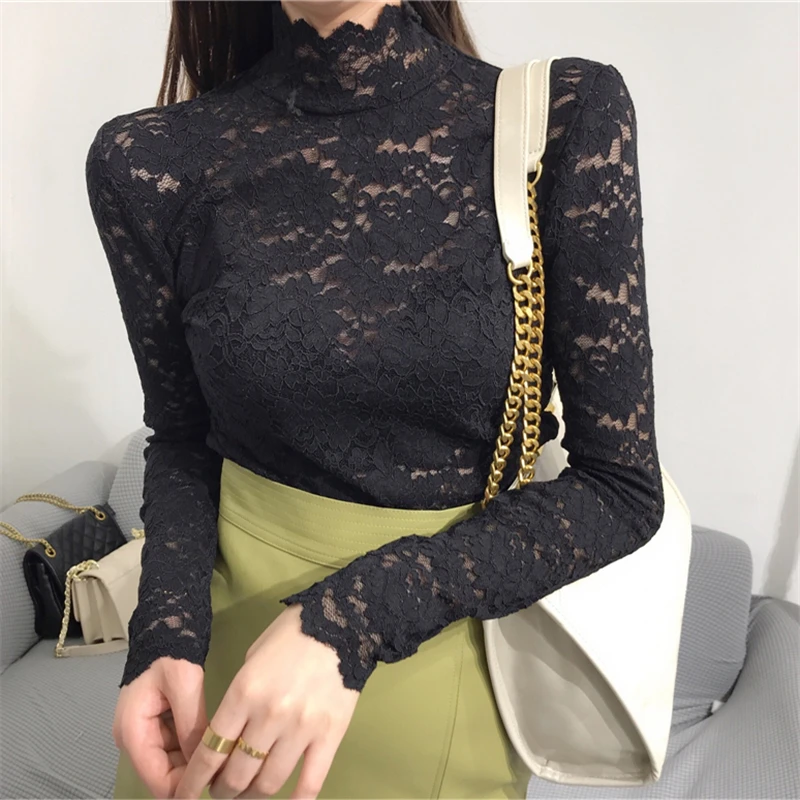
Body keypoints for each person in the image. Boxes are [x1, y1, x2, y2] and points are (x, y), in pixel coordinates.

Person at [84, 0, 665, 798]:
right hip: (213, 689)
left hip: (435, 653)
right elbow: (184, 438)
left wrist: (348, 620)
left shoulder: (561, 121)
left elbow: (620, 490)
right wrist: (164, 634)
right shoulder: (148, 160)